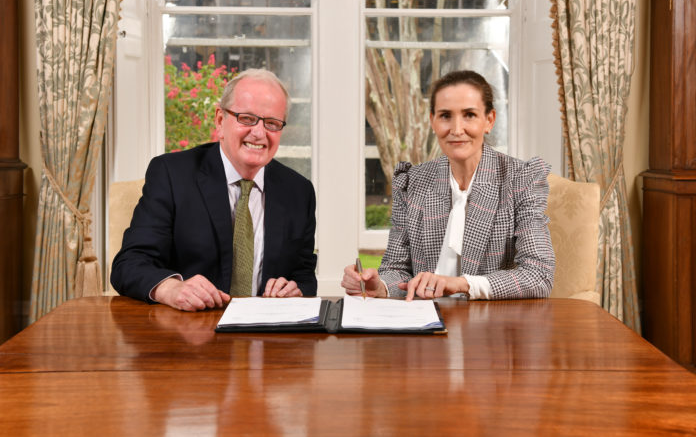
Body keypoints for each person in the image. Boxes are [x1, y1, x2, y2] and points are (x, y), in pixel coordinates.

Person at [111, 69, 317, 311]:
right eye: (247, 118)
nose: (259, 133)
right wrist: (171, 288)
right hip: (188, 333)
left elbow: (304, 274)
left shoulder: (299, 192)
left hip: (266, 336)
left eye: (272, 123)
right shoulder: (171, 174)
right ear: (220, 120)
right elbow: (129, 263)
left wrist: (296, 289)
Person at [342, 70, 554, 301]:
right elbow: (397, 268)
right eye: (445, 116)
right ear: (432, 121)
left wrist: (460, 284)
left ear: (489, 120)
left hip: (492, 327)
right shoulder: (413, 181)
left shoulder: (521, 179)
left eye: (469, 115)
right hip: (424, 324)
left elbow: (539, 275)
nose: (456, 129)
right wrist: (380, 286)